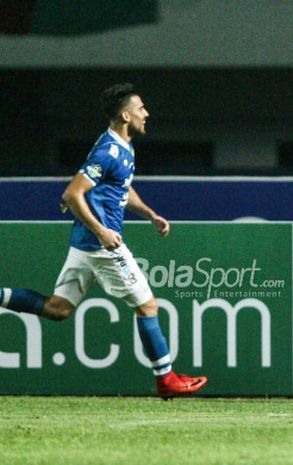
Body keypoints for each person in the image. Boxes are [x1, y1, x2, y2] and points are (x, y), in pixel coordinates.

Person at [0, 83, 207, 399]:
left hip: (86, 244)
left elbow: (121, 188)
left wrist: (149, 214)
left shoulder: (122, 147)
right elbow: (72, 193)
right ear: (125, 116)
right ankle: (166, 379)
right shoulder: (108, 151)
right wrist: (101, 231)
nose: (146, 113)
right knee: (147, 305)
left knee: (58, 309)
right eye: (140, 108)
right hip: (102, 245)